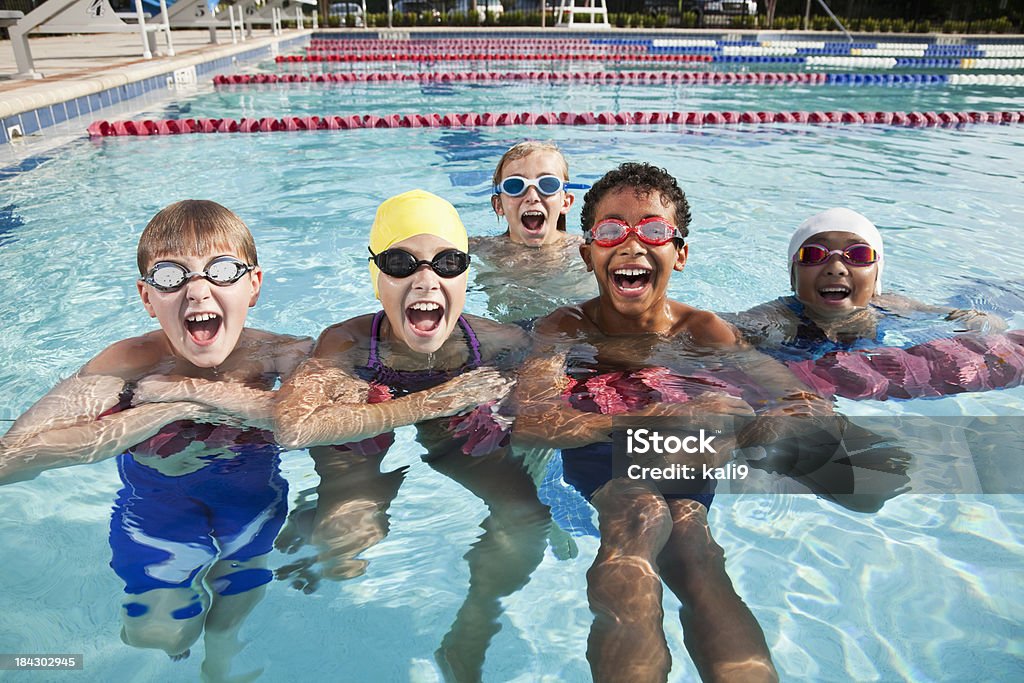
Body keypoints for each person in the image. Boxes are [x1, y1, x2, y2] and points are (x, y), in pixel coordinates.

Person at [512, 163, 819, 683]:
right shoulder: (564, 327)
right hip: (603, 448)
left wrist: (751, 429)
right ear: (589, 254)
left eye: (652, 229)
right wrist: (655, 416)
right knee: (639, 515)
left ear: (679, 253)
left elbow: (798, 399)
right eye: (611, 230)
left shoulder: (704, 329)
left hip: (686, 453)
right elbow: (532, 421)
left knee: (693, 548)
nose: (631, 245)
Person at [0, 200, 311, 678]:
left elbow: (323, 421)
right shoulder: (127, 364)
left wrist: (191, 392)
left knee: (236, 601)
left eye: (222, 270)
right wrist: (149, 417)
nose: (198, 290)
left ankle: (221, 658)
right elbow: (11, 457)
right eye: (172, 276)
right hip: (157, 505)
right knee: (158, 633)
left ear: (253, 285)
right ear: (148, 298)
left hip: (251, 498)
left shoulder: (279, 354)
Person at [273, 189, 554, 682]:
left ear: (464, 275)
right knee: (345, 551)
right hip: (371, 410)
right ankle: (311, 521)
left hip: (457, 420)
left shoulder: (495, 340)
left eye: (447, 263)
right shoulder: (350, 342)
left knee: (527, 522)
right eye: (402, 263)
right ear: (377, 276)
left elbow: (556, 379)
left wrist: (523, 411)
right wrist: (427, 404)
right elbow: (293, 427)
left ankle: (473, 627)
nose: (426, 280)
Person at [732, 207, 1006, 362]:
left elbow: (954, 315)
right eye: (814, 254)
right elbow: (722, 330)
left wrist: (979, 319)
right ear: (793, 277)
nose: (836, 268)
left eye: (858, 255)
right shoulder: (777, 317)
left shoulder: (891, 305)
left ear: (877, 277)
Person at [468, 140, 596, 322]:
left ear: (565, 202)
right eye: (515, 186)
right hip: (506, 334)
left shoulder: (585, 250)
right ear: (499, 205)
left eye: (548, 184)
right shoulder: (479, 248)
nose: (532, 197)